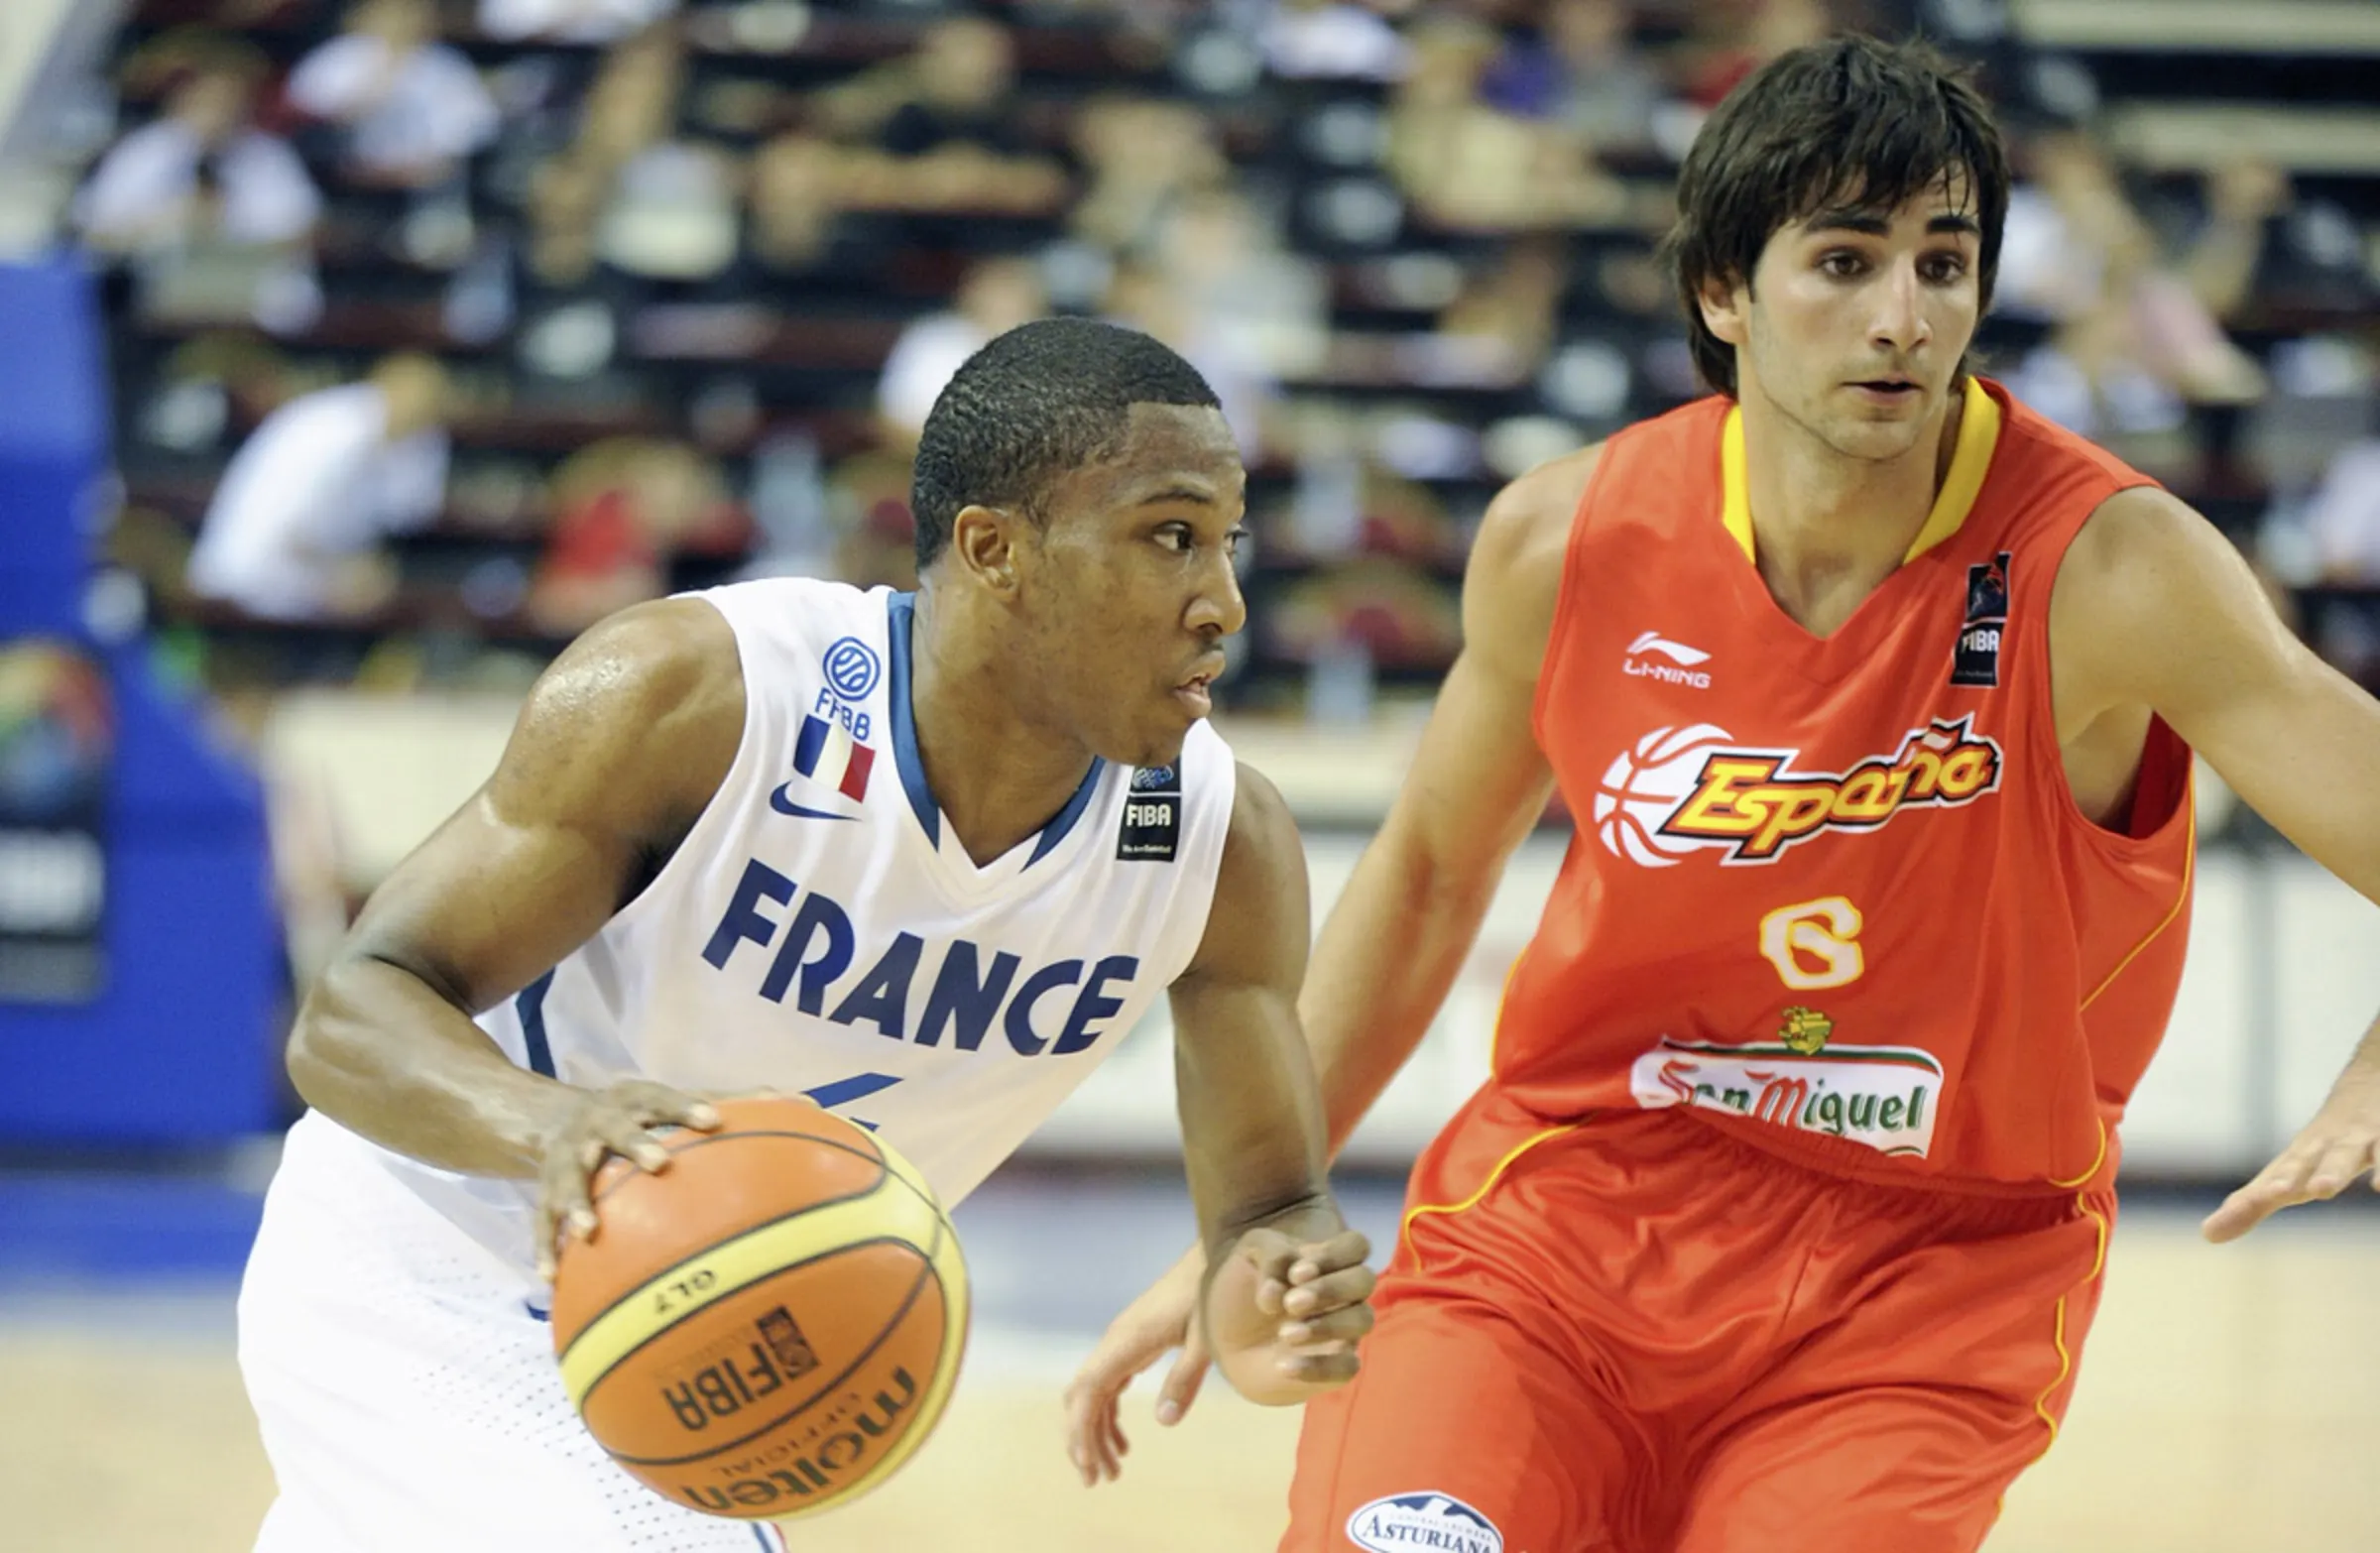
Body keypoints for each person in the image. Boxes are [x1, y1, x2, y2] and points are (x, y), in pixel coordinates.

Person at [1067, 36, 2380, 1553]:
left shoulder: (2113, 568)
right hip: (1567, 1219)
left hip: (1931, 1280)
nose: (1903, 317)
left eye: (1944, 263)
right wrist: (1246, 1210)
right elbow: (1425, 877)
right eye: (1844, 260)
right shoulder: (1565, 540)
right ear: (1723, 292)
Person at [236, 317, 1376, 1553]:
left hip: (714, 1322)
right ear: (996, 550)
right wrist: (558, 1129)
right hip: (433, 1256)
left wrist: (1278, 1298)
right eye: (1170, 537)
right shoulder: (703, 693)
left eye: (1227, 543)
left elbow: (1271, 1207)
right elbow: (354, 1009)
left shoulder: (1219, 847)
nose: (1224, 603)